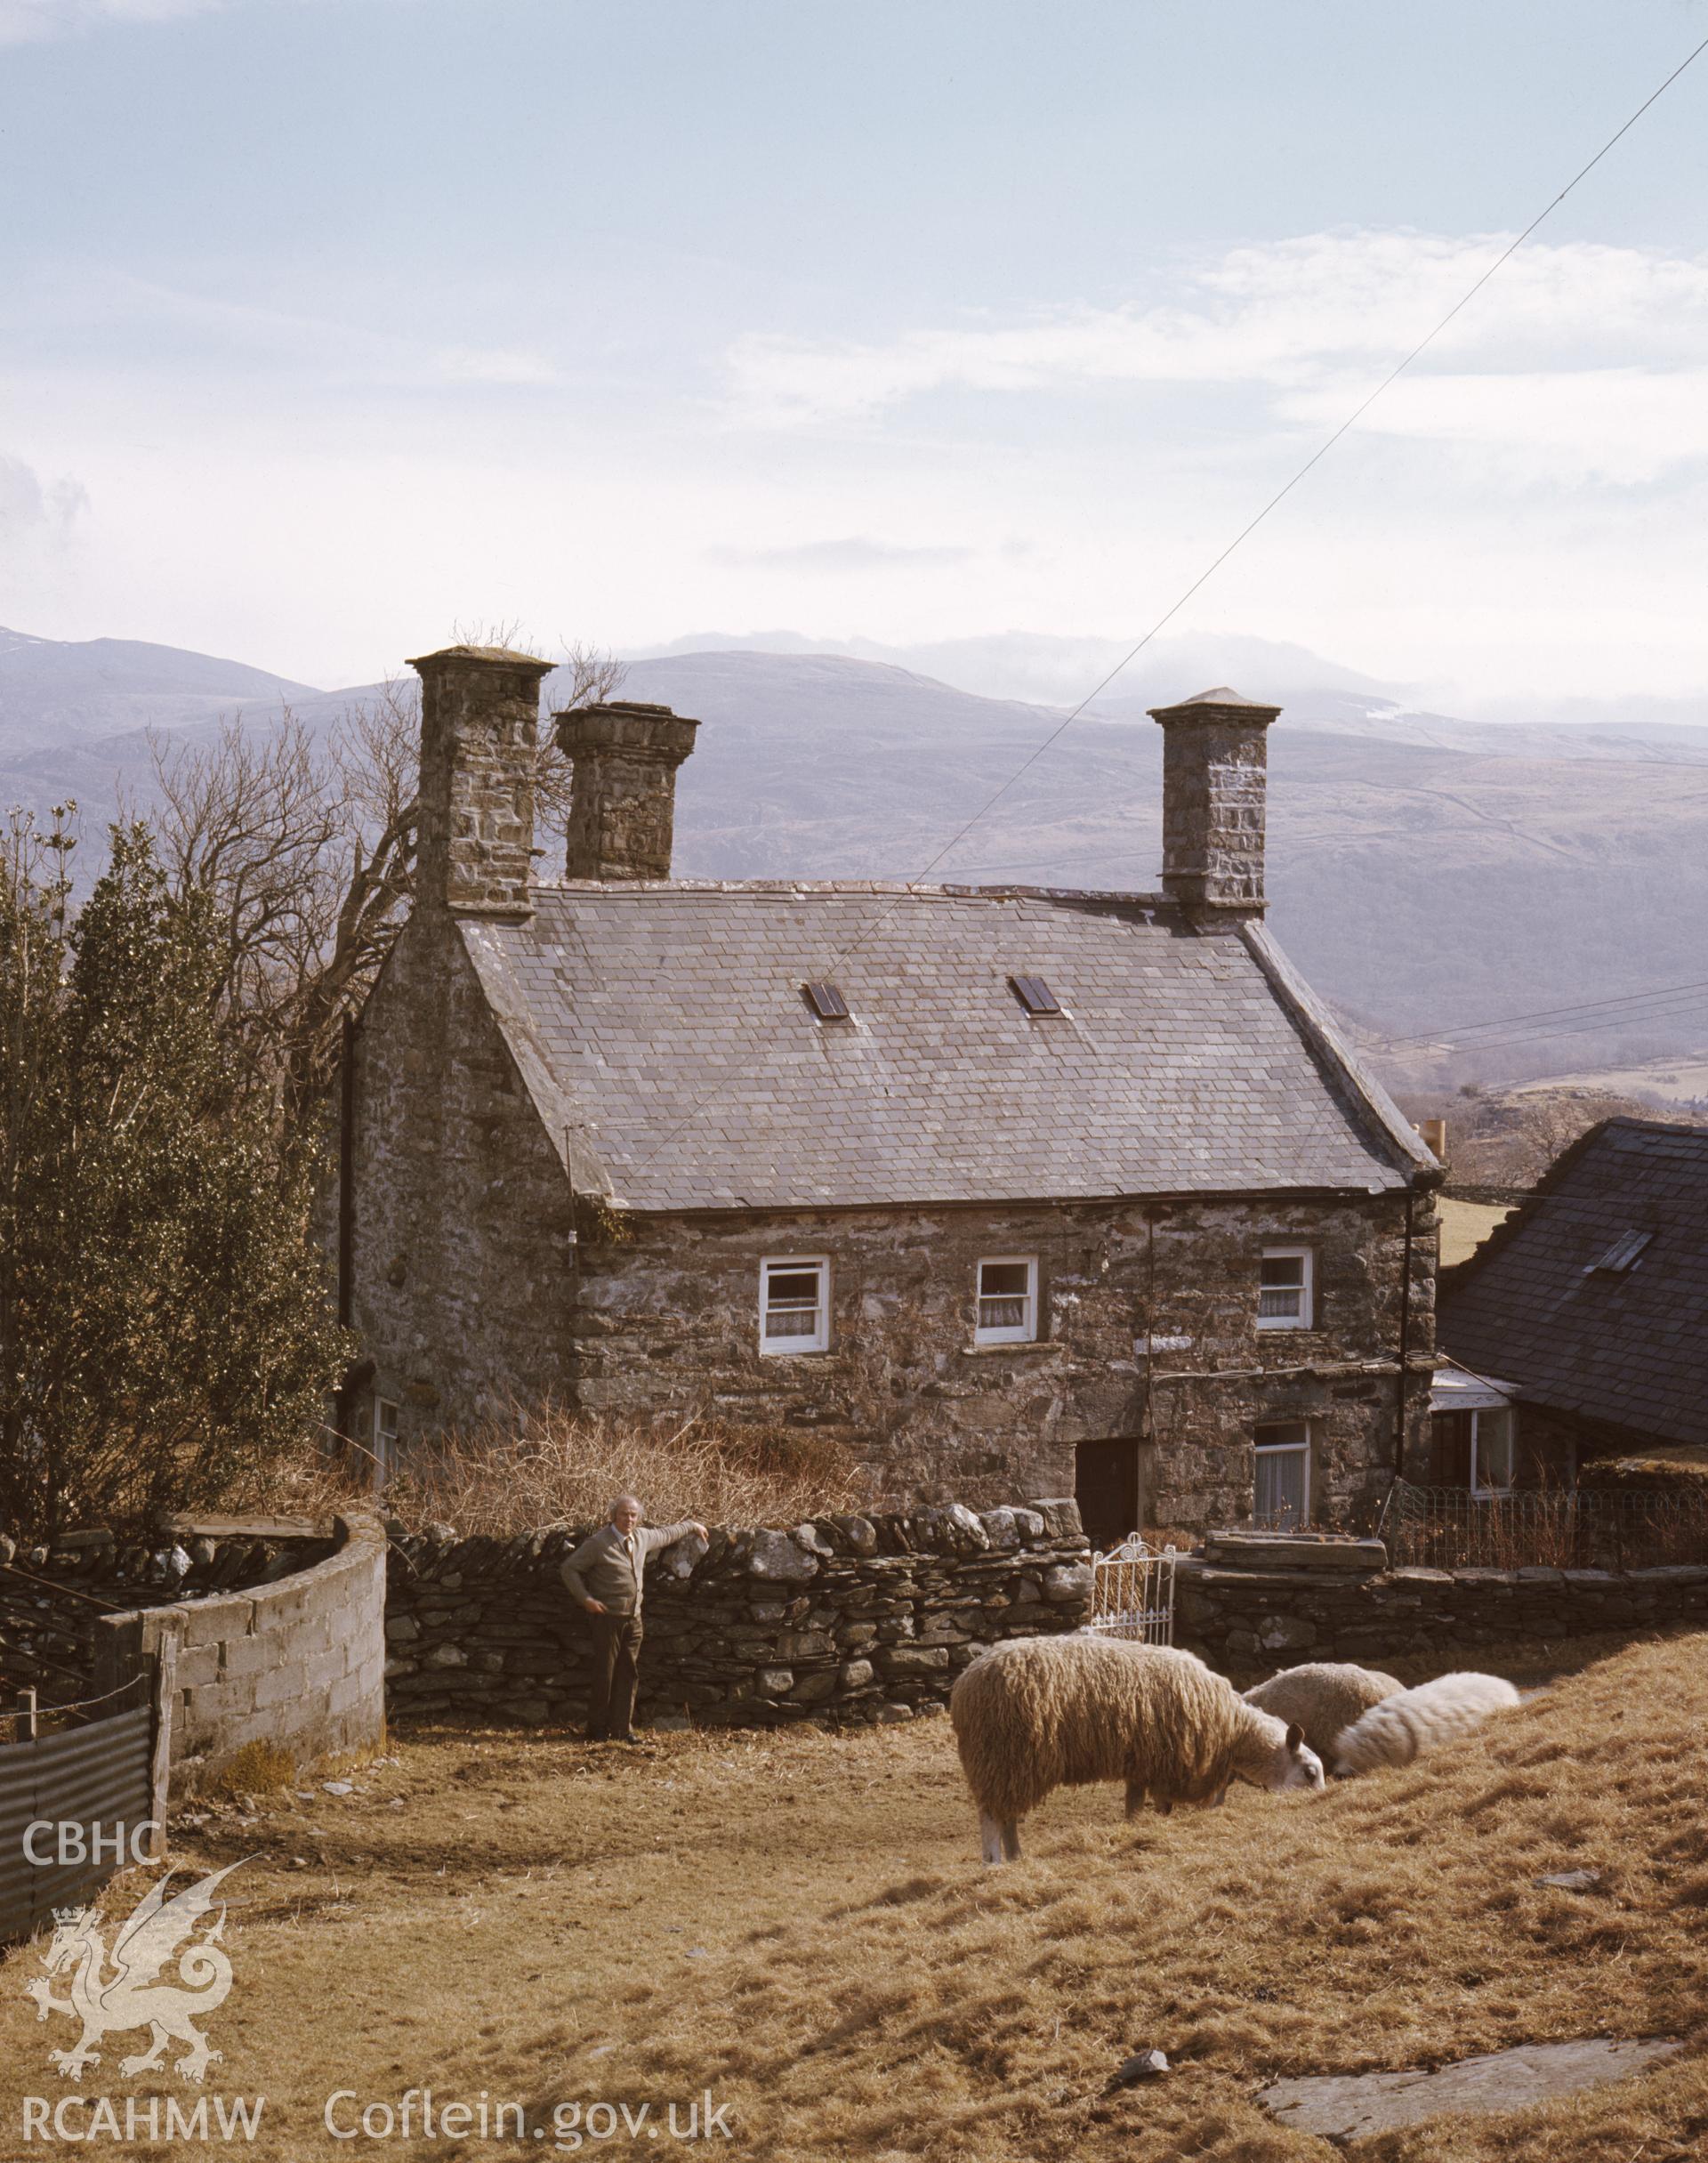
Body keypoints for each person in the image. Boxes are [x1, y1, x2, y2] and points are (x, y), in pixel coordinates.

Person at [560, 1496, 706, 1744]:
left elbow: (668, 1533)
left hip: (633, 1620)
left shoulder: (641, 1537)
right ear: (613, 1516)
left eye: (634, 1515)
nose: (629, 1519)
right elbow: (569, 1569)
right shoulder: (598, 1543)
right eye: (624, 1514)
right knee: (604, 1676)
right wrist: (585, 1599)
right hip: (607, 1620)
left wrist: (692, 1525)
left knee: (629, 1674)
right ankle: (596, 1730)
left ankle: (621, 1730)